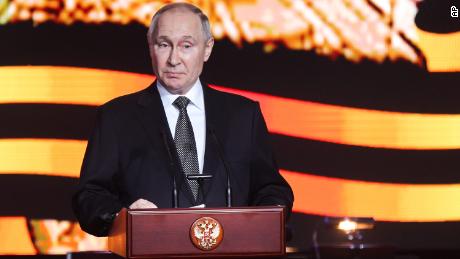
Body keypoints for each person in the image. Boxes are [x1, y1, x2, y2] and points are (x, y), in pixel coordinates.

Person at [72, 2, 294, 237]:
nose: (173, 59)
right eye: (164, 45)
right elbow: (90, 195)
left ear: (207, 49)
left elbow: (271, 188)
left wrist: (260, 221)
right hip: (151, 247)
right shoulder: (117, 118)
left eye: (186, 46)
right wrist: (122, 217)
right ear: (151, 47)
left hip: (230, 249)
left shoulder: (243, 115)